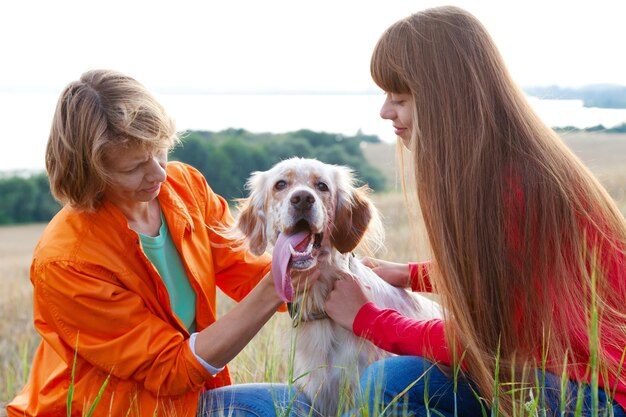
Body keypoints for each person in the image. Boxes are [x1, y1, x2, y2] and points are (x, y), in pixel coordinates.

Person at [325, 6, 626, 417]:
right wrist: (411, 273)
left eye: (400, 97)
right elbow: (514, 280)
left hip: (603, 398)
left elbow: (481, 341)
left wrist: (367, 319)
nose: (385, 111)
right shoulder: (513, 168)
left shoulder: (515, 187)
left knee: (390, 384)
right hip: (576, 381)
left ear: (445, 98)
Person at [6, 69, 318, 417]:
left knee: (305, 406)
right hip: (111, 411)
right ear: (91, 173)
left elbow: (246, 269)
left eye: (161, 151)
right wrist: (278, 285)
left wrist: (348, 271)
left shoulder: (185, 187)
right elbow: (171, 369)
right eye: (136, 167)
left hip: (184, 400)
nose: (159, 174)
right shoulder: (67, 261)